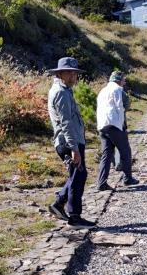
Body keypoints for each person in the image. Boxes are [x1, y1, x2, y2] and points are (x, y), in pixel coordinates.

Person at [47, 57, 96, 229]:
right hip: (69, 142)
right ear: (60, 73)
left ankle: (59, 203)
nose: (73, 76)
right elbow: (66, 123)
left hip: (71, 140)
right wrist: (74, 148)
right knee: (78, 177)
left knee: (78, 175)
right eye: (69, 72)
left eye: (75, 73)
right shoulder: (61, 93)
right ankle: (74, 217)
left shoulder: (64, 90)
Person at [96, 71, 139, 190]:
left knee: (106, 154)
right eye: (123, 80)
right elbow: (126, 104)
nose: (124, 82)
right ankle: (127, 178)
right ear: (119, 80)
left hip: (102, 125)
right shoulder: (119, 90)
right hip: (114, 124)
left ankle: (101, 182)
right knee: (125, 151)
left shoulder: (102, 91)